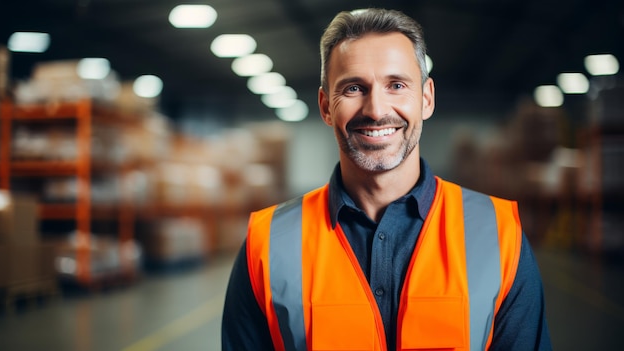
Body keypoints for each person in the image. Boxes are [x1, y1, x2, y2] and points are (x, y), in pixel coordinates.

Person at [222, 7, 551, 351]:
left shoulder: (499, 236)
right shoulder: (267, 244)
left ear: (426, 99)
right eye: (353, 88)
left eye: (396, 85)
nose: (377, 110)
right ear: (325, 106)